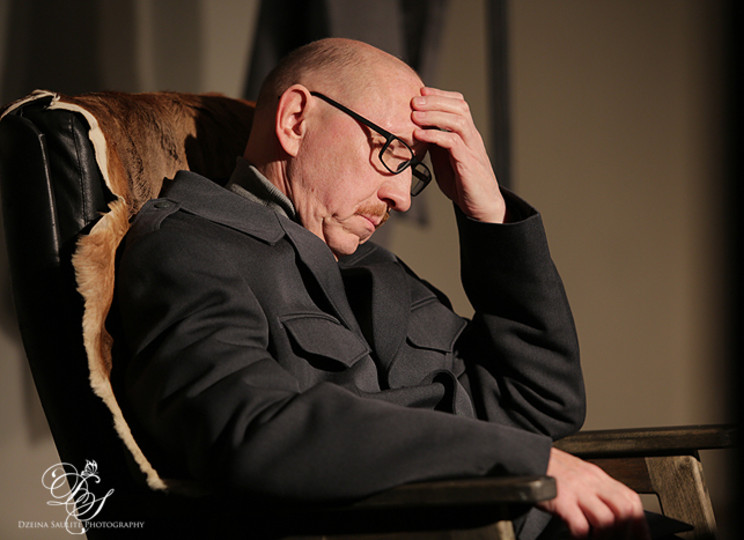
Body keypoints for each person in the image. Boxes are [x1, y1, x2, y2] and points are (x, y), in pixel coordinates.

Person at [109, 38, 649, 539]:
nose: (403, 197)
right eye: (392, 150)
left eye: (413, 169)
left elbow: (538, 403)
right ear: (295, 120)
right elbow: (250, 430)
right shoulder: (192, 247)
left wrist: (487, 214)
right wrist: (519, 460)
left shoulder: (375, 268)